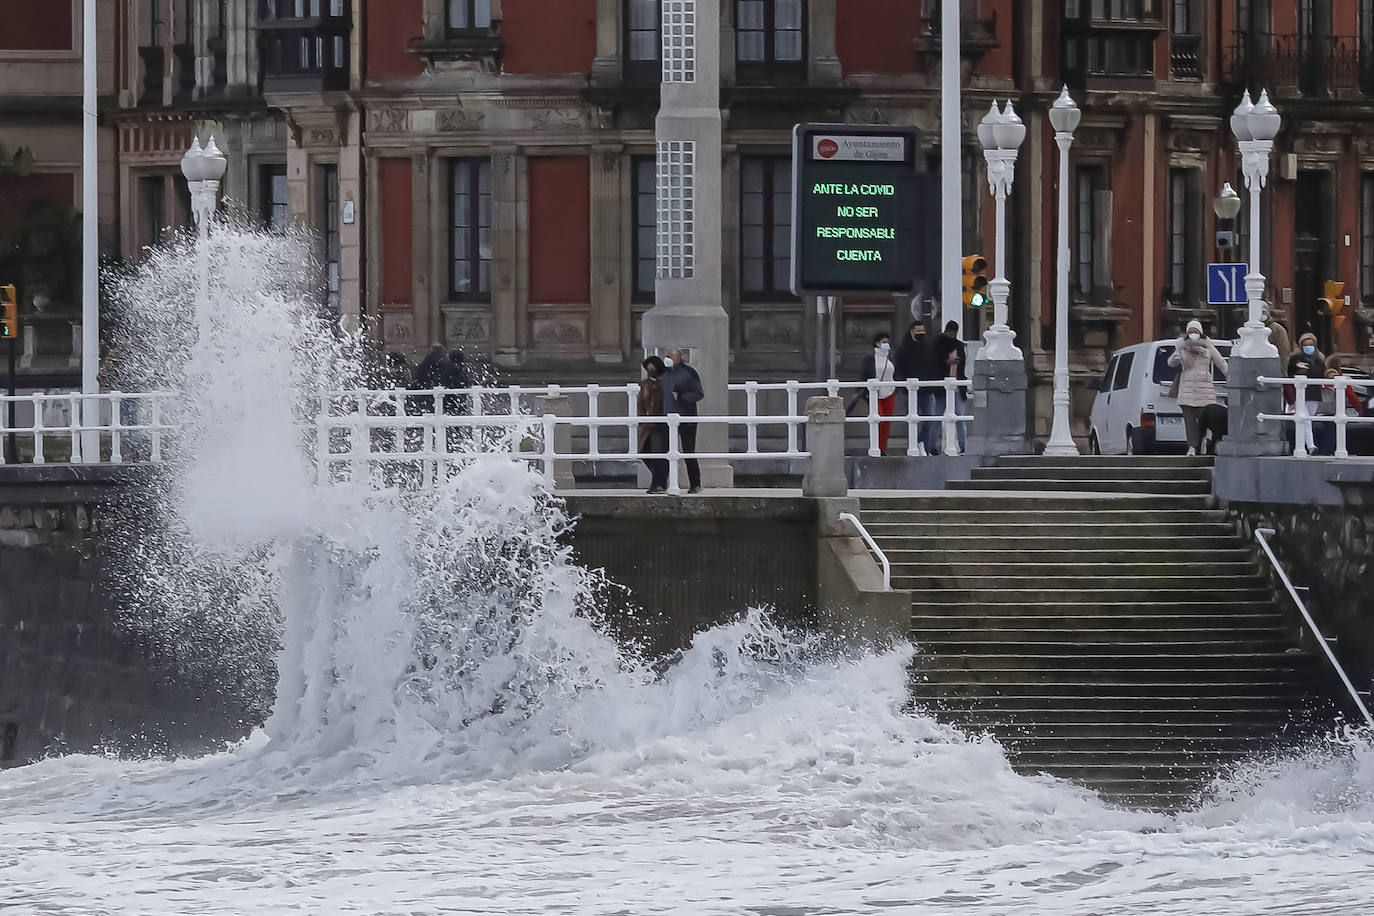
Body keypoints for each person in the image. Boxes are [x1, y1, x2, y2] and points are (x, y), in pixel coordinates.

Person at [1167, 319, 1229, 456]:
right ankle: (1192, 447)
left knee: (1205, 419)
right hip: (1187, 388)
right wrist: (1176, 357)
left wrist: (1230, 375)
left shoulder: (1208, 346)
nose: (1193, 333)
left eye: (1195, 331)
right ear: (1187, 333)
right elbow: (1170, 363)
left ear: (1200, 332)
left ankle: (1205, 442)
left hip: (1204, 389)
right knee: (1189, 421)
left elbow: (1221, 362)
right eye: (1191, 331)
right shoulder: (1181, 346)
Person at [660, 347, 704, 493]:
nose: (665, 359)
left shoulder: (688, 373)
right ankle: (661, 484)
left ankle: (695, 484)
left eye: (668, 356)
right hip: (667, 418)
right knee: (664, 452)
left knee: (688, 451)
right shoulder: (664, 374)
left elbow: (698, 393)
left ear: (677, 357)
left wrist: (681, 397)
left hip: (686, 417)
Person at [894, 320, 938, 455]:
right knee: (912, 420)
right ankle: (915, 446)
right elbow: (900, 367)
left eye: (923, 331)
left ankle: (922, 443)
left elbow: (933, 365)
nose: (921, 334)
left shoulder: (928, 347)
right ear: (912, 331)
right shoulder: (904, 349)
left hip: (927, 389)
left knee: (930, 418)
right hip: (910, 390)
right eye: (918, 331)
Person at [856, 332, 898, 455]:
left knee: (886, 422)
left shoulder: (892, 357)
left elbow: (896, 373)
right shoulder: (869, 358)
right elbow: (864, 375)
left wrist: (896, 388)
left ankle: (883, 447)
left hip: (889, 393)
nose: (886, 345)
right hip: (874, 394)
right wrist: (863, 391)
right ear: (877, 343)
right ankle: (875, 445)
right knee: (878, 419)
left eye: (887, 342)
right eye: (884, 342)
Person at [931, 321, 968, 455]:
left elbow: (962, 365)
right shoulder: (938, 344)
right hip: (942, 386)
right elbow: (935, 364)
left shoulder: (957, 345)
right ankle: (932, 446)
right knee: (937, 417)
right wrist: (947, 363)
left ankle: (963, 445)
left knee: (957, 417)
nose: (951, 335)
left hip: (955, 385)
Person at [1287, 332, 1325, 455]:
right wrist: (1299, 370)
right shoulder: (1295, 358)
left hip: (1314, 394)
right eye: (1306, 345)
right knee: (1306, 420)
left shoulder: (1319, 359)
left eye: (1311, 345)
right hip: (1299, 394)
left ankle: (1302, 445)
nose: (1309, 347)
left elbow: (1322, 375)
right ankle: (1311, 446)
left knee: (1307, 420)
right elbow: (1289, 374)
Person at [1313, 366, 1362, 456]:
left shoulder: (1319, 384)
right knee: (1335, 426)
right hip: (1330, 414)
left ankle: (1324, 451)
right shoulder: (1342, 385)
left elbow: (1353, 398)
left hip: (1323, 414)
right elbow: (1353, 399)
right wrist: (1361, 411)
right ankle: (1326, 451)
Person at [638, 356, 669, 493]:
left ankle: (658, 483)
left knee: (659, 454)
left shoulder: (665, 384)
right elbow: (640, 403)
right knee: (644, 452)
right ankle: (658, 479)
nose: (650, 371)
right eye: (648, 369)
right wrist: (642, 419)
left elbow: (666, 404)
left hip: (660, 425)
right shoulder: (644, 384)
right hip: (647, 424)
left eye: (652, 368)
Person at [1262, 303, 1292, 367]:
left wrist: (1282, 374)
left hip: (1271, 368)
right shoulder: (1245, 329)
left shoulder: (1277, 330)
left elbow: (1284, 354)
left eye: (1263, 311)